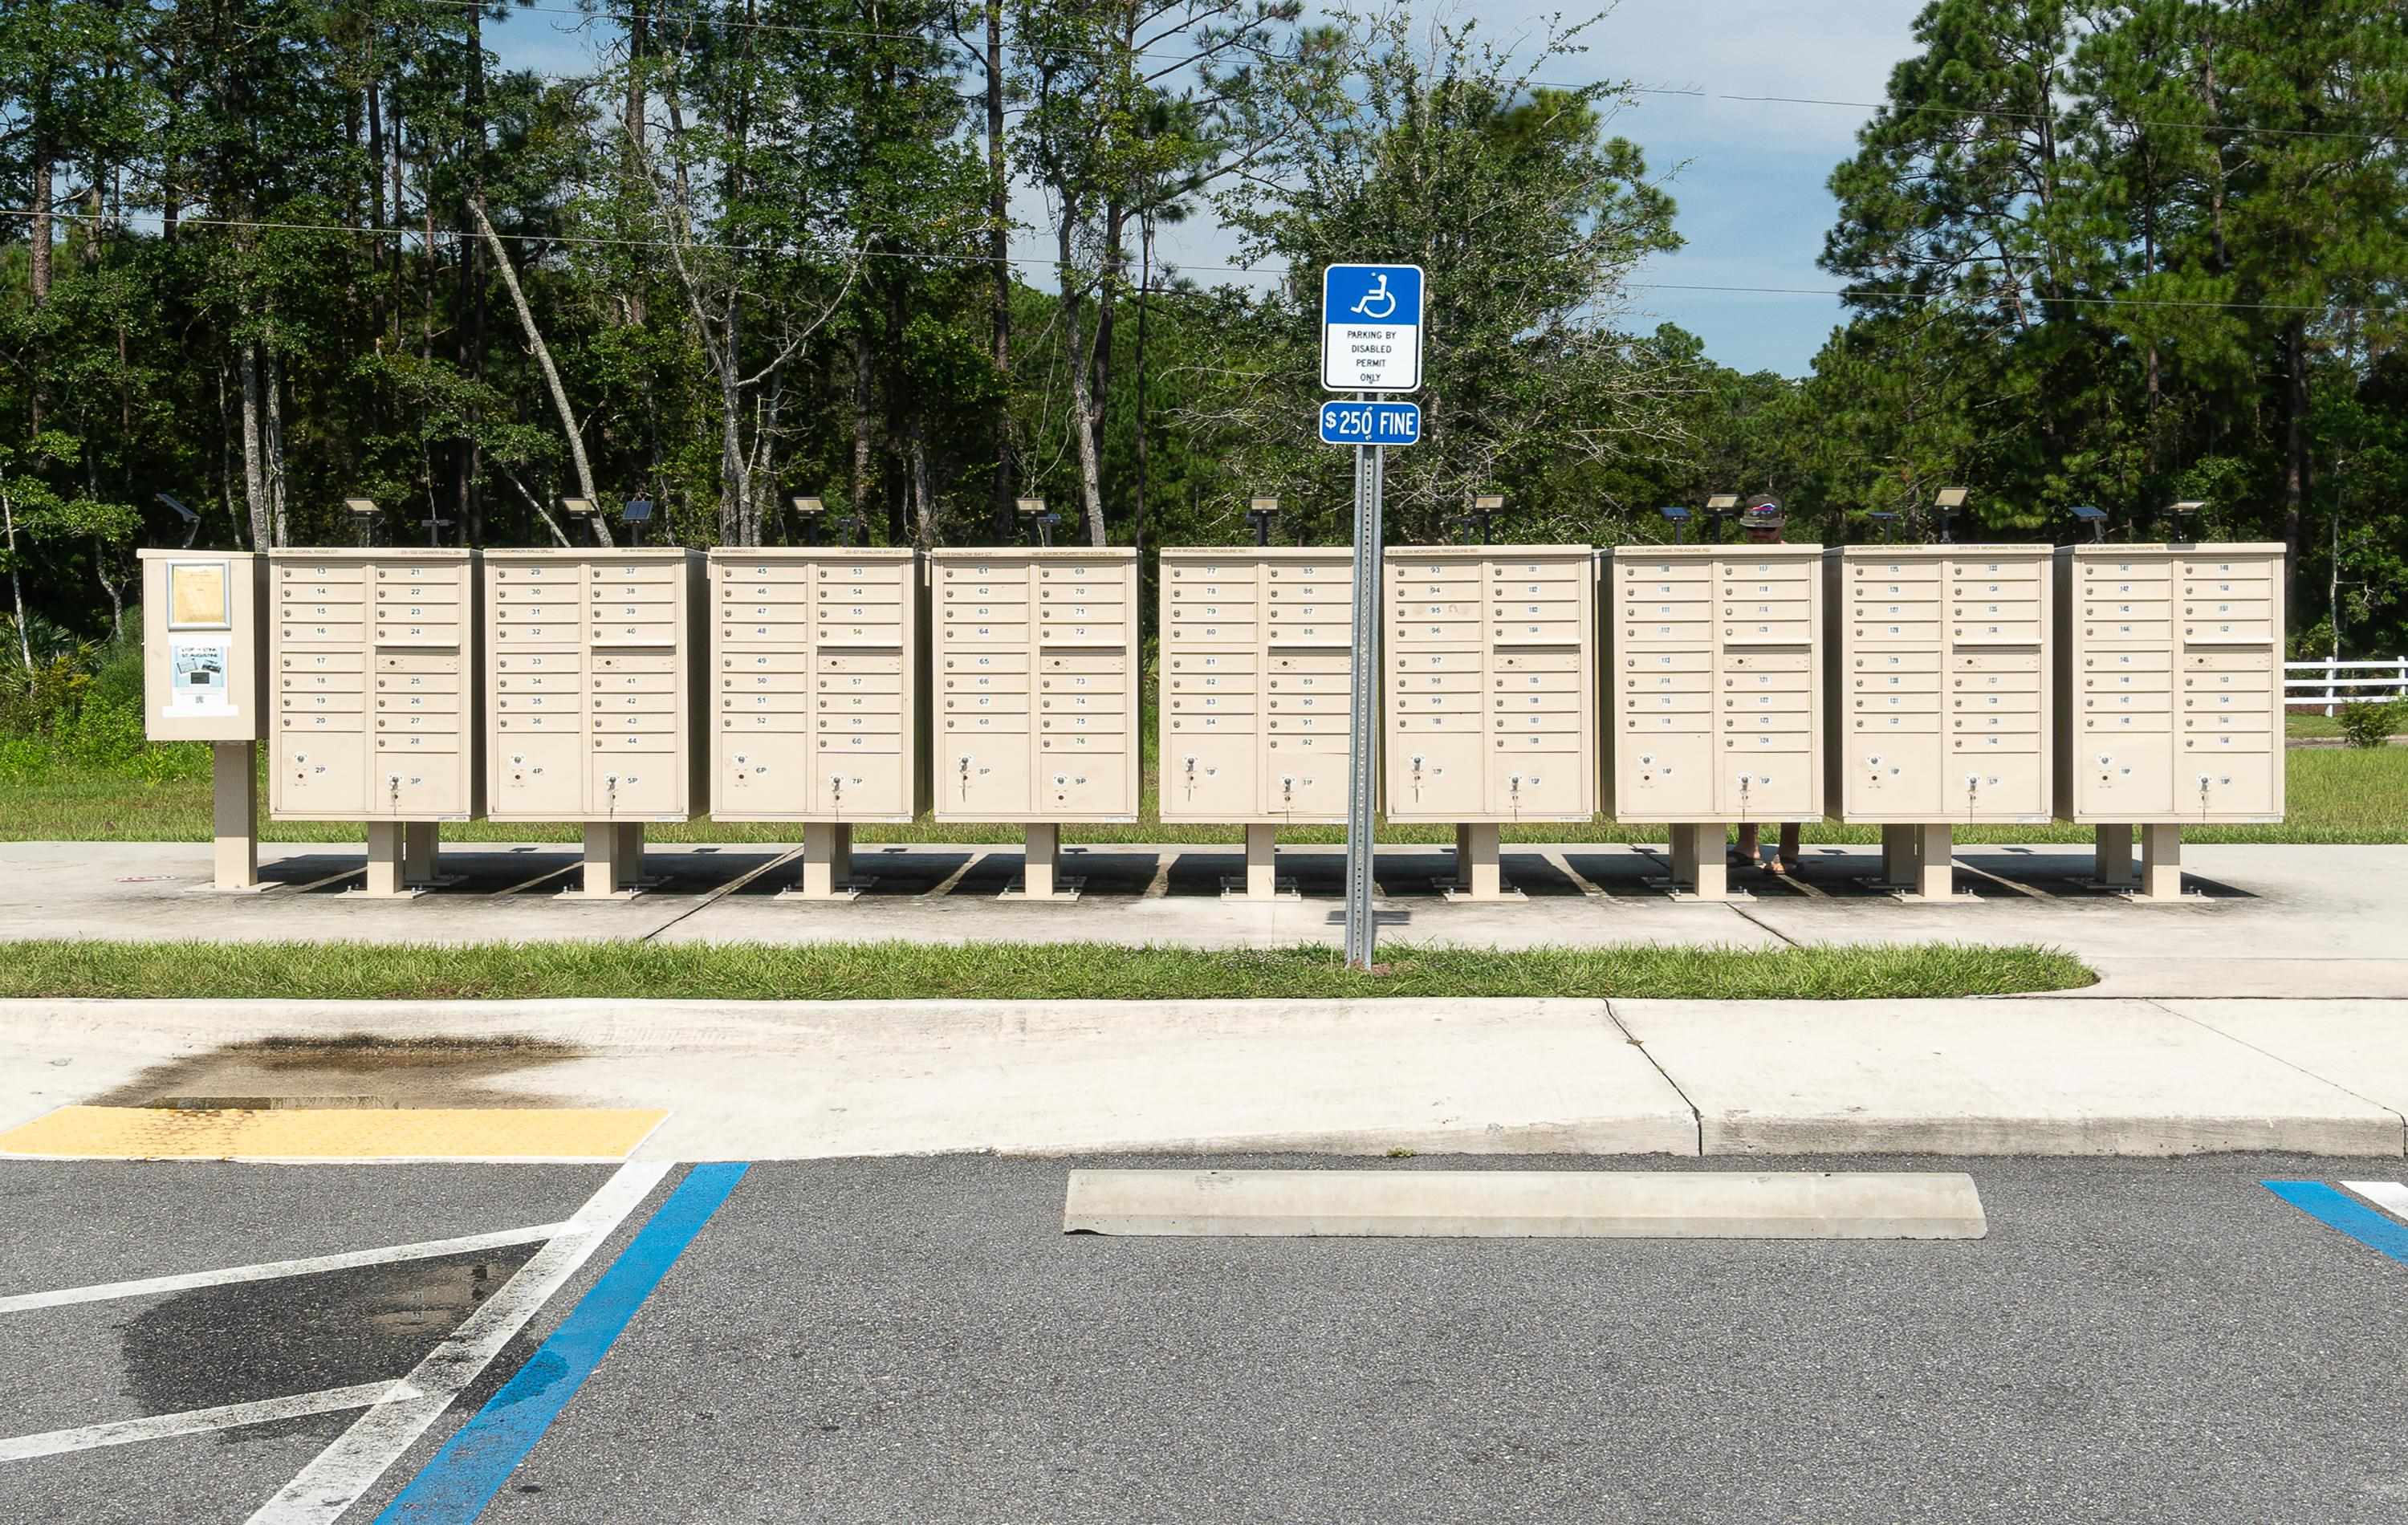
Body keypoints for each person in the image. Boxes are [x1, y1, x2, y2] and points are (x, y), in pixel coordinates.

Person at [1733, 497, 1805, 875]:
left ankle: (1789, 847)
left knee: (1792, 760)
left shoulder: (1802, 560)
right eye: (1753, 529)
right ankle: (1748, 844)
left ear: (1783, 525)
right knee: (1742, 757)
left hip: (1792, 670)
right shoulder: (1733, 562)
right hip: (1743, 667)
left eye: (1767, 528)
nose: (1759, 535)